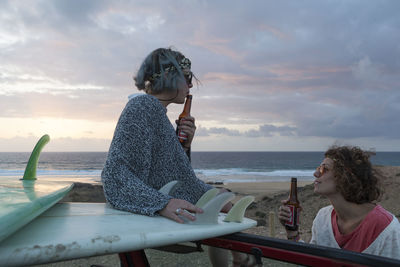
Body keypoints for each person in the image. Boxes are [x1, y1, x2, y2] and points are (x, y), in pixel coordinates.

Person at [101, 47, 255, 266]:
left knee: (222, 200)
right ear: (168, 76)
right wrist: (163, 203)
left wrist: (184, 146)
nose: (191, 85)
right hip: (155, 204)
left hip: (173, 195)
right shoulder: (141, 106)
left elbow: (165, 171)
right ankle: (243, 260)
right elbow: (114, 176)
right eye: (188, 77)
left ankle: (241, 260)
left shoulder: (155, 112)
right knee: (223, 204)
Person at [278, 145, 400, 260]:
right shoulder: (323, 218)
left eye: (324, 169)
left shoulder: (386, 228)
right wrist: (292, 232)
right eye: (318, 169)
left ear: (346, 176)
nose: (315, 174)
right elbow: (312, 260)